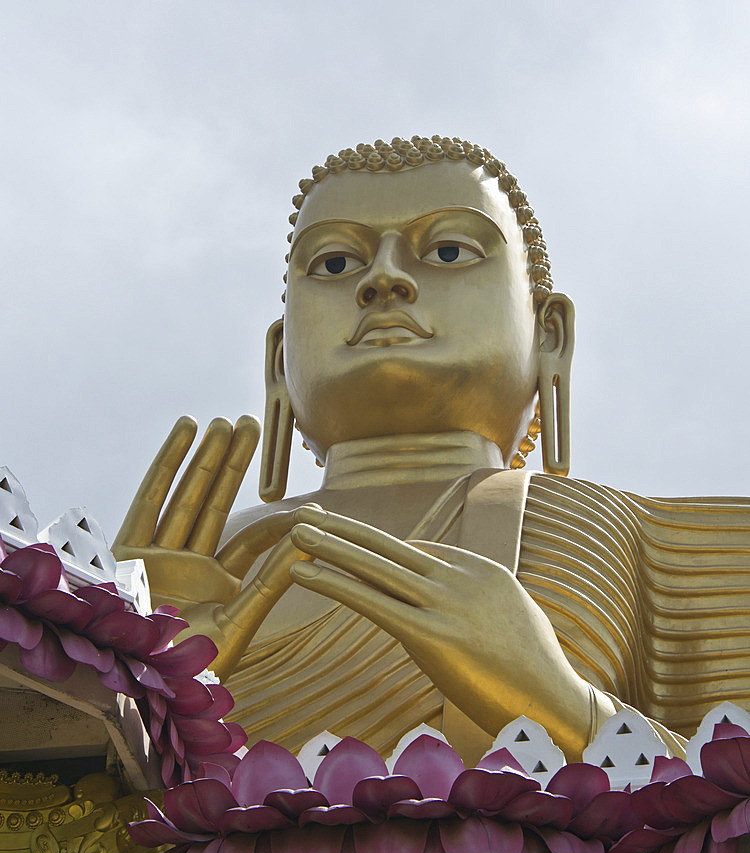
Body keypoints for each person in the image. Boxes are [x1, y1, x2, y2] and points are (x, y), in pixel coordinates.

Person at [114, 136, 749, 765]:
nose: (384, 279)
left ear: (549, 334)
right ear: (280, 360)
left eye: (448, 250)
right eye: (335, 263)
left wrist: (561, 703)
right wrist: (132, 669)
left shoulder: (642, 537)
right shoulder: (200, 562)